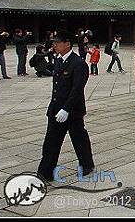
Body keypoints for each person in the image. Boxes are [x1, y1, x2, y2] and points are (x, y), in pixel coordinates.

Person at [37, 30, 94, 182]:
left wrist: (67, 108)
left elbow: (77, 89)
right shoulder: (58, 60)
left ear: (67, 44)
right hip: (56, 109)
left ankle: (87, 164)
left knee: (78, 138)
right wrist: (56, 108)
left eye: (57, 42)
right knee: (51, 140)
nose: (54, 45)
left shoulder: (79, 64)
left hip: (73, 110)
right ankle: (45, 172)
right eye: (54, 42)